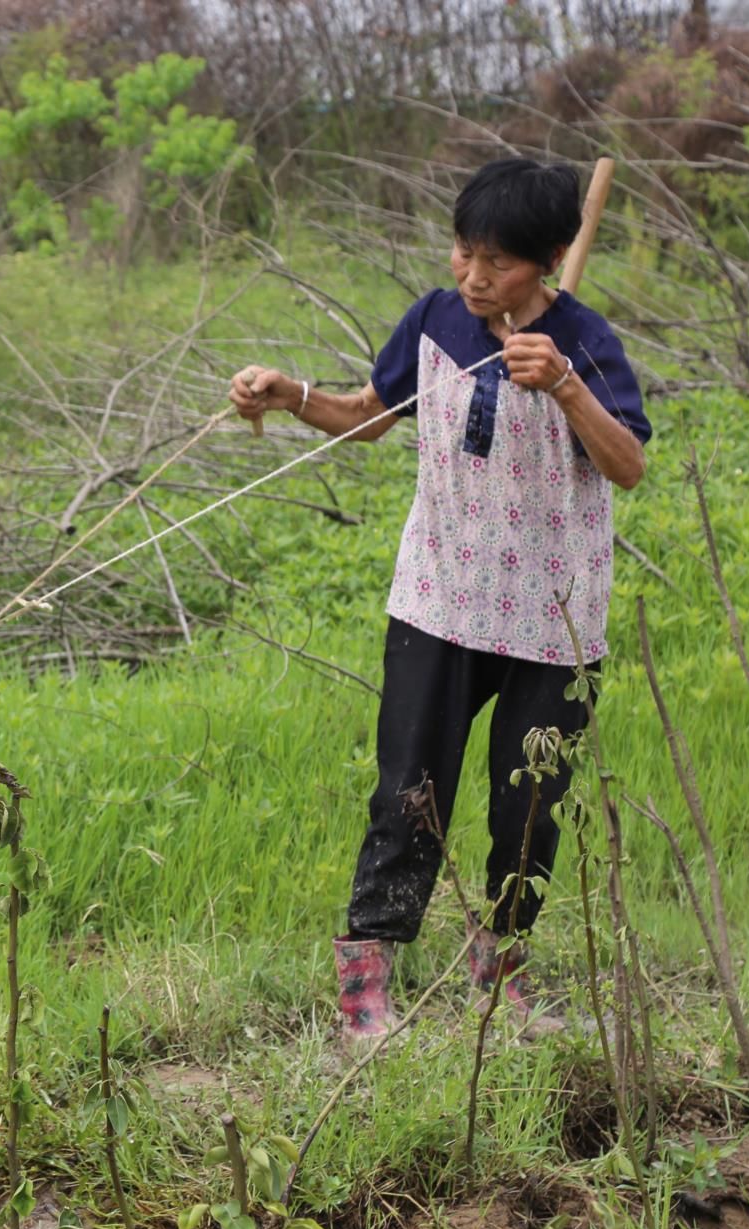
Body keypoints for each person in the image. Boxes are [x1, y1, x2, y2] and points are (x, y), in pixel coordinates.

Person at [228, 158, 651, 1042]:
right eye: (464, 250)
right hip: (441, 594)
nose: (473, 274)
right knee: (409, 787)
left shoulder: (588, 342)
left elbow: (628, 465)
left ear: (547, 258)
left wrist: (568, 385)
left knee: (528, 805)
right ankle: (366, 981)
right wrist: (292, 394)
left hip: (552, 613)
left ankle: (504, 971)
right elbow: (372, 414)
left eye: (497, 260)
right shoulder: (434, 321)